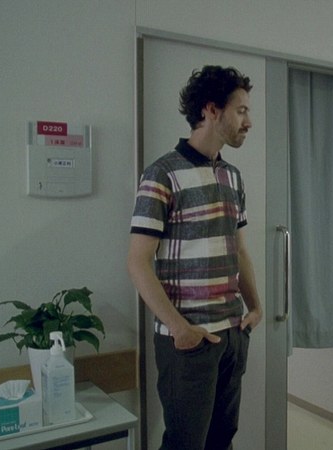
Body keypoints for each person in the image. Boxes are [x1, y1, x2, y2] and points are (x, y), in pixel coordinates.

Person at [127, 65, 263, 450]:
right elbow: (137, 262)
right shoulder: (162, 174)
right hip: (189, 341)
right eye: (241, 110)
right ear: (211, 110)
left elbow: (239, 249)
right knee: (185, 444)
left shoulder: (232, 176)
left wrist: (255, 307)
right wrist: (180, 329)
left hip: (232, 333)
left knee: (222, 441)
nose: (249, 122)